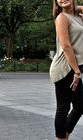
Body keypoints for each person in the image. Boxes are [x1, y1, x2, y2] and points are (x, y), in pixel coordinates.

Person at [50, 1, 83, 140]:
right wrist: (76, 72)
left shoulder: (78, 16)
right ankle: (61, 138)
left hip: (75, 67)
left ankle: (65, 135)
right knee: (63, 108)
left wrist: (77, 7)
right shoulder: (61, 18)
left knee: (80, 106)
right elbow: (66, 46)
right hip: (64, 68)